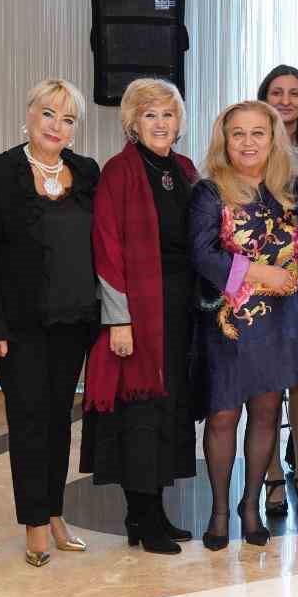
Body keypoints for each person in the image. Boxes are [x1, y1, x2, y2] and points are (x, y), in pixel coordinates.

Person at [0, 78, 99, 568]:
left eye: (67, 119)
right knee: (27, 421)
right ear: (28, 114)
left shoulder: (87, 172)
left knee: (59, 421)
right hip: (18, 326)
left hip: (74, 319)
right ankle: (35, 524)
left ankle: (55, 512)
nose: (56, 126)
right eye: (48, 114)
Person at [81, 78, 199, 555]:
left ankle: (154, 513)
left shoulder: (186, 169)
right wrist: (119, 320)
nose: (161, 123)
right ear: (133, 122)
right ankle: (142, 517)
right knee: (141, 415)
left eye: (168, 114)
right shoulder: (119, 172)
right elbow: (107, 247)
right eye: (150, 115)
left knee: (169, 410)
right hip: (137, 312)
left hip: (180, 311)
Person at [189, 101, 298, 550]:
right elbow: (202, 255)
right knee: (223, 415)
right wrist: (260, 274)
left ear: (273, 139)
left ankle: (251, 506)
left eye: (258, 133)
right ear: (225, 140)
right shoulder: (209, 191)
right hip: (227, 322)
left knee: (267, 413)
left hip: (279, 319)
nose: (248, 142)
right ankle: (220, 510)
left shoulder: (289, 191)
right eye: (238, 133)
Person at [256, 64, 298, 516]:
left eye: (294, 93)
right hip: (262, 279)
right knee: (267, 382)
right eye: (276, 92)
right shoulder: (251, 145)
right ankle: (272, 473)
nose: (285, 101)